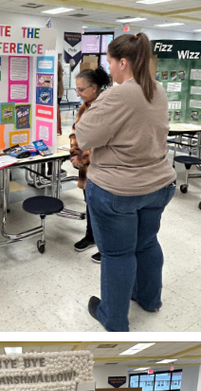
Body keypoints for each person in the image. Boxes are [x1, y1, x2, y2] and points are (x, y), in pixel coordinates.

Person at [74, 33, 176, 331]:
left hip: (118, 190)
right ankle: (149, 299)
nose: (109, 69)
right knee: (146, 243)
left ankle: (114, 317)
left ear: (123, 62)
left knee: (117, 253)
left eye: (109, 62)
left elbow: (84, 136)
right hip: (158, 185)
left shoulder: (118, 94)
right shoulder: (157, 90)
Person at [68, 66, 111, 261]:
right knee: (90, 202)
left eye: (81, 89)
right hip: (86, 168)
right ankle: (91, 236)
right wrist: (74, 151)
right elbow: (75, 131)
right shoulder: (85, 105)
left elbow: (101, 140)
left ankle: (106, 246)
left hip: (101, 167)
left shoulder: (104, 107)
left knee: (102, 207)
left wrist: (81, 158)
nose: (78, 93)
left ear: (94, 88)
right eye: (76, 89)